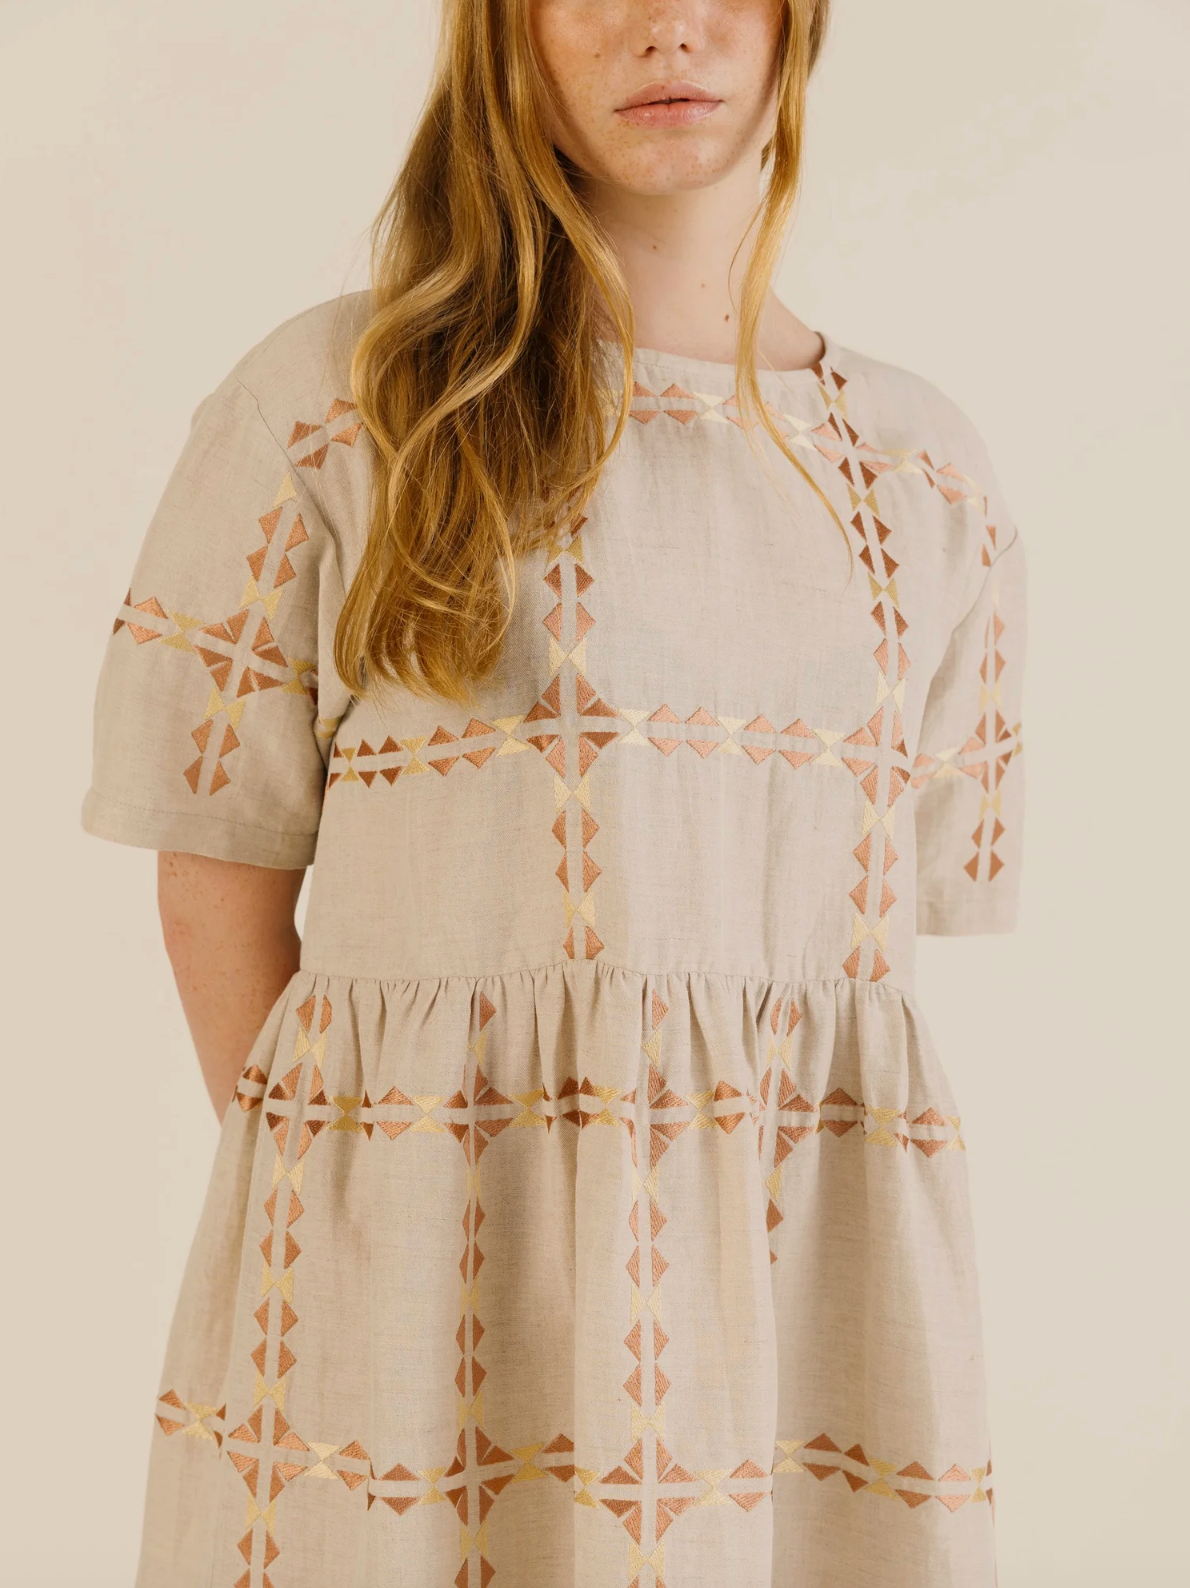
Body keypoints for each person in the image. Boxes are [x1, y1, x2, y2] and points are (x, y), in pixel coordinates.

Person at [81, 1, 1027, 1584]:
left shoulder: (923, 474)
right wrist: (363, 1225)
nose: (668, 27)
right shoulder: (346, 397)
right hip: (416, 1274)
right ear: (504, 31)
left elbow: (856, 974)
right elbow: (215, 879)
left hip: (791, 1322)